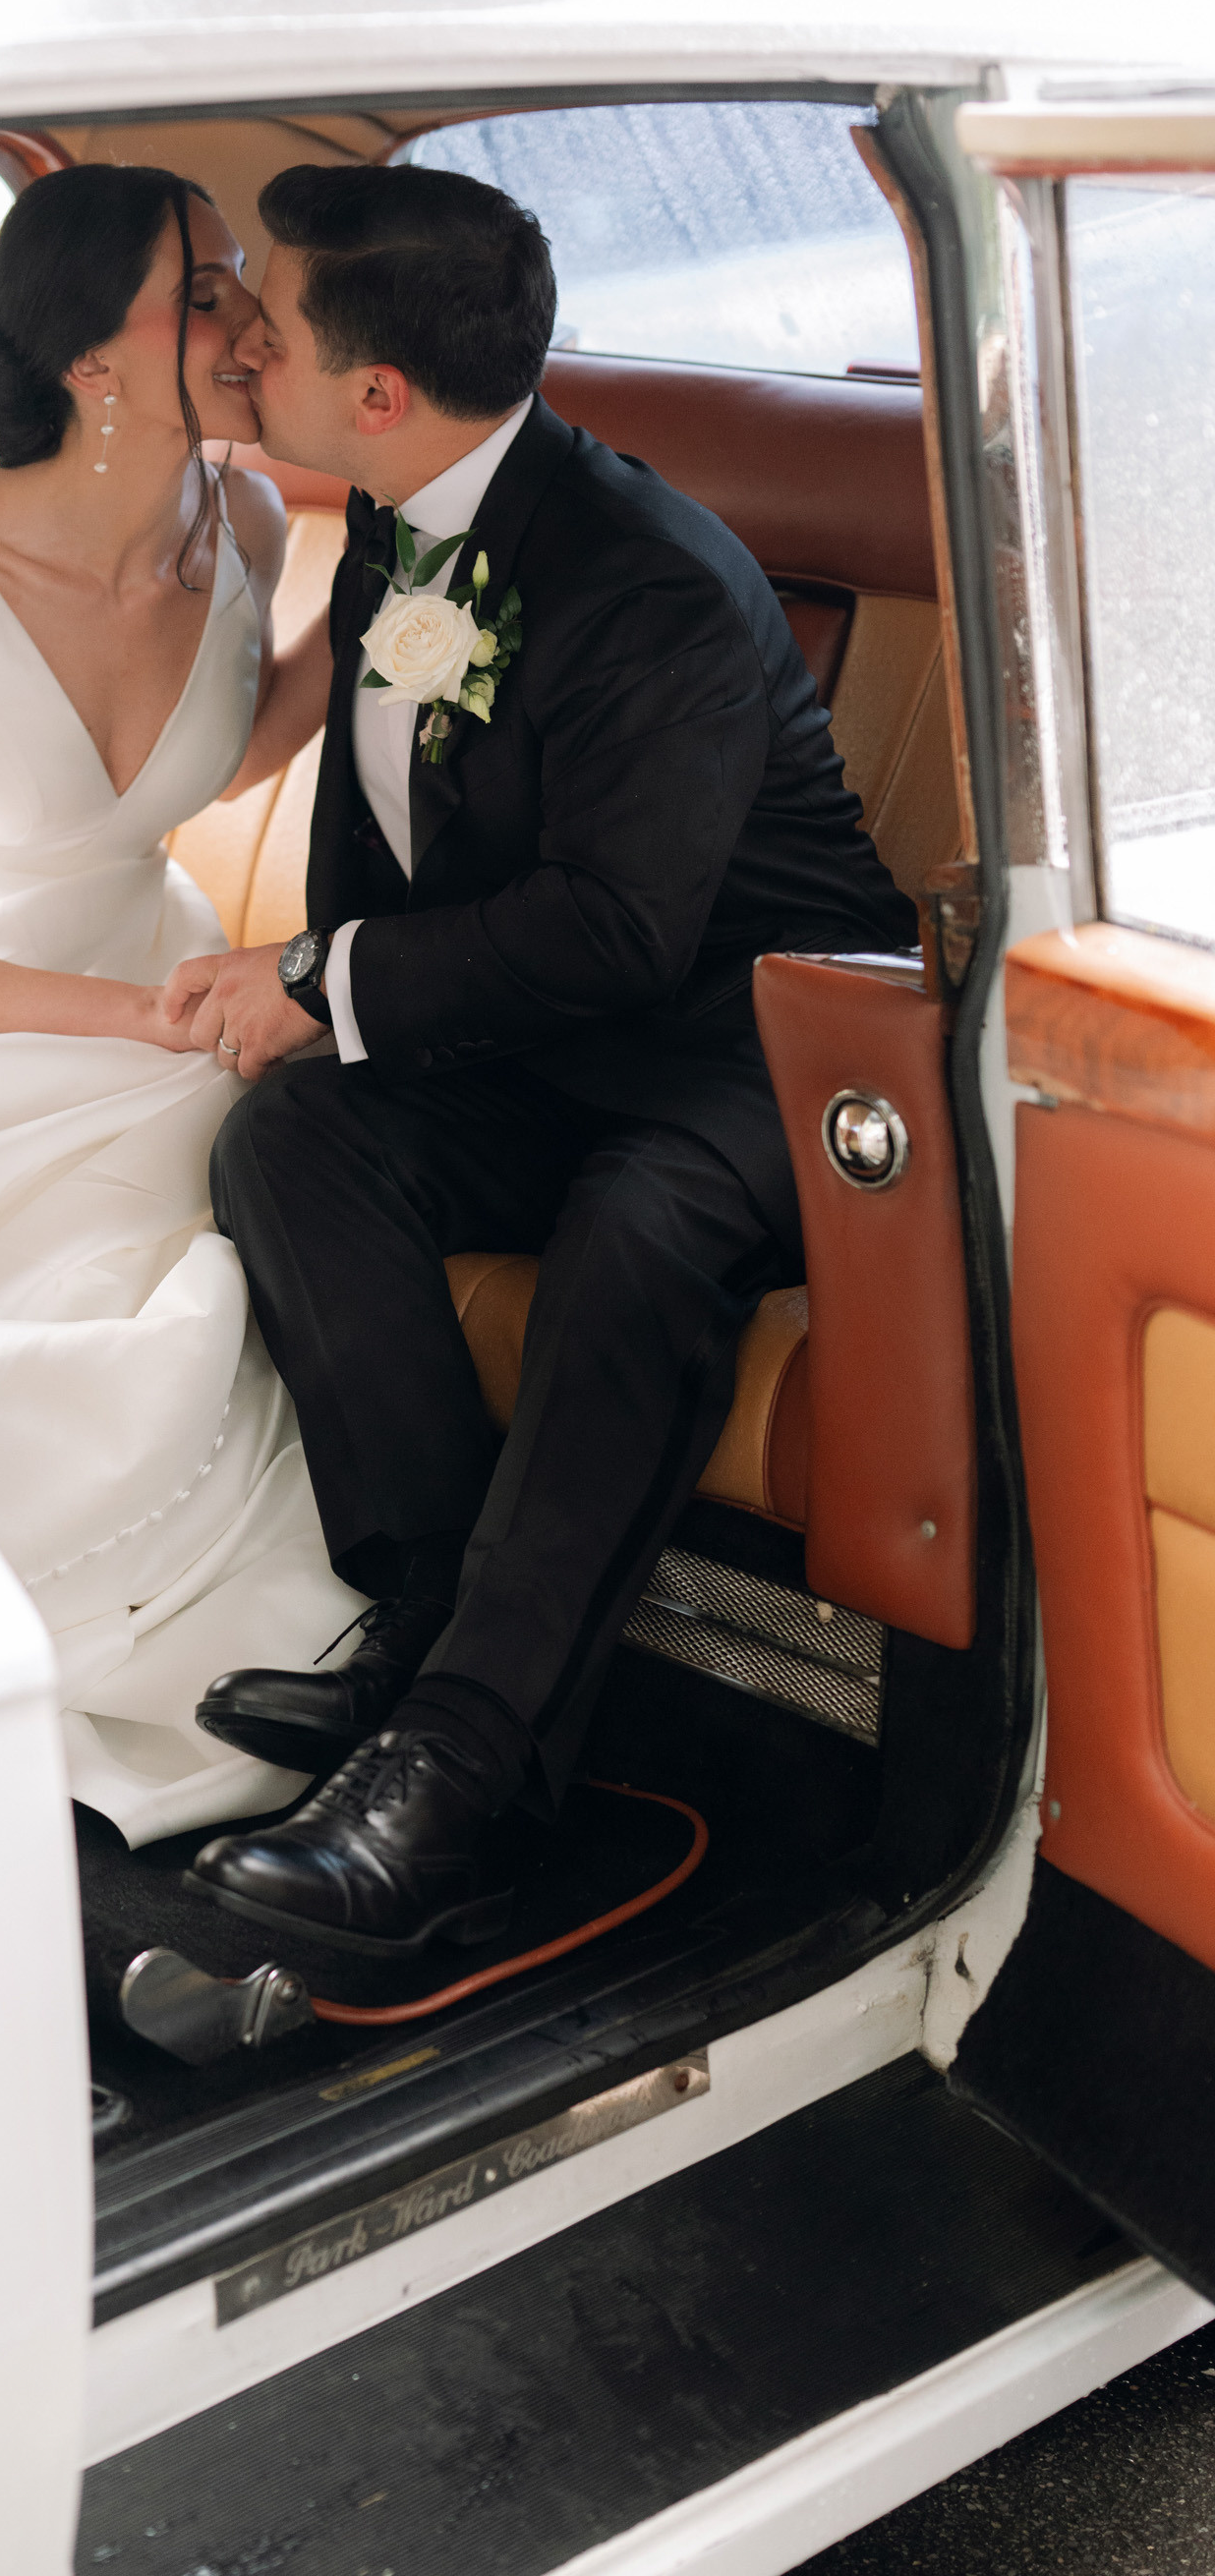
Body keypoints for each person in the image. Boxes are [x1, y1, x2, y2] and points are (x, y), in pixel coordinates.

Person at [171, 162, 918, 1956]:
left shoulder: (642, 579)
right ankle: (436, 1638)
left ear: (375, 390)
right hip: (559, 1034)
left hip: (767, 1040)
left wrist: (325, 974)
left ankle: (471, 1779)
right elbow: (381, 831)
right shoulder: (401, 516)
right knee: (297, 1143)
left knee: (642, 1222)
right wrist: (330, 1009)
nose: (239, 334)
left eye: (266, 310)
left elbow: (626, 932)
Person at [0, 162, 357, 1848]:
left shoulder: (256, 525)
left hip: (160, 980)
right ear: (90, 363)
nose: (243, 317)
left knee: (246, 1119)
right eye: (202, 289)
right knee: (190, 1147)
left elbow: (246, 740)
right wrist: (107, 1022)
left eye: (234, 282)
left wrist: (383, 626)